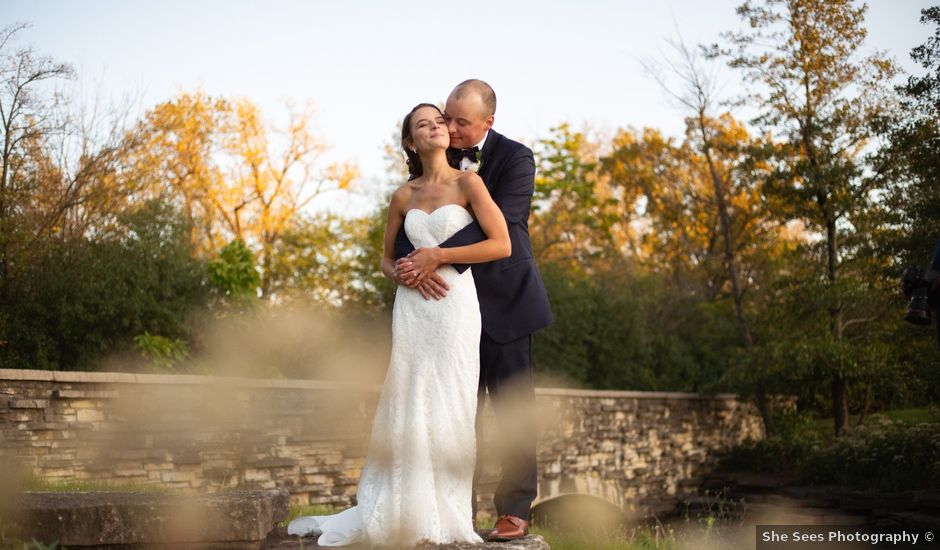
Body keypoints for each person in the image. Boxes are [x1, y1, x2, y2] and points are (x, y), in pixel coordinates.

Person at [287, 103, 510, 546]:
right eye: (423, 124)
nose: (435, 127)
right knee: (407, 396)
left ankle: (445, 513)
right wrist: (404, 274)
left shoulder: (470, 182)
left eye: (439, 121)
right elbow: (387, 260)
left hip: (453, 307)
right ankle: (400, 506)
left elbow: (501, 244)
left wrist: (439, 256)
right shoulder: (402, 196)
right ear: (411, 141)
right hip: (412, 309)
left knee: (449, 398)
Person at [393, 80, 554, 542]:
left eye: (461, 121)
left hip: (505, 300)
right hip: (445, 308)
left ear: (489, 121)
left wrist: (435, 256)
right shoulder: (430, 167)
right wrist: (413, 263)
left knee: (511, 408)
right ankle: (450, 506)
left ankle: (515, 508)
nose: (451, 127)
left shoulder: (516, 159)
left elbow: (505, 224)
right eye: (447, 117)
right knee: (455, 409)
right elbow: (410, 221)